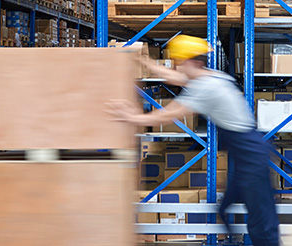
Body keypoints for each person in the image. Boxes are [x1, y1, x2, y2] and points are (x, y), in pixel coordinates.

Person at [105, 35, 281, 246]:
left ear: (195, 63)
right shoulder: (209, 76)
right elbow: (173, 78)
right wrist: (142, 60)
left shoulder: (206, 88)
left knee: (261, 219)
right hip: (244, 153)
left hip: (250, 154)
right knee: (226, 208)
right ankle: (235, 241)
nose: (177, 66)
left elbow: (167, 115)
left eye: (181, 62)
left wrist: (131, 118)